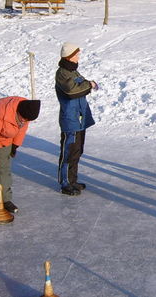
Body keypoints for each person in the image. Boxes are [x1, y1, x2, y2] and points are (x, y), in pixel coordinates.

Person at [0, 96, 41, 214]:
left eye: (27, 120)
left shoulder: (26, 110)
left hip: (5, 137)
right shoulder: (1, 112)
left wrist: (15, 145)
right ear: (18, 112)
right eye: (24, 119)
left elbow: (22, 128)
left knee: (4, 168)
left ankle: (5, 199)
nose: (25, 121)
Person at [55, 42, 97, 196]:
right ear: (70, 56)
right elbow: (72, 92)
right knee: (68, 152)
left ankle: (73, 180)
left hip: (79, 119)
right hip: (70, 121)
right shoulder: (62, 73)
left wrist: (88, 84)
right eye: (76, 54)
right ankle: (65, 183)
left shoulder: (73, 72)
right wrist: (89, 85)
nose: (79, 56)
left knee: (77, 152)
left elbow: (82, 85)